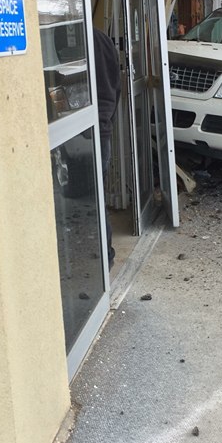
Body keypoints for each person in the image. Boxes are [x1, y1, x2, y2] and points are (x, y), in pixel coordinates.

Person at [93, 28, 121, 269]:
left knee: (91, 200)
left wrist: (102, 123)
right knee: (95, 198)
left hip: (91, 134)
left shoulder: (89, 40)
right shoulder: (101, 39)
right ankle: (104, 257)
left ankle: (103, 258)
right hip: (100, 130)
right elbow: (116, 87)